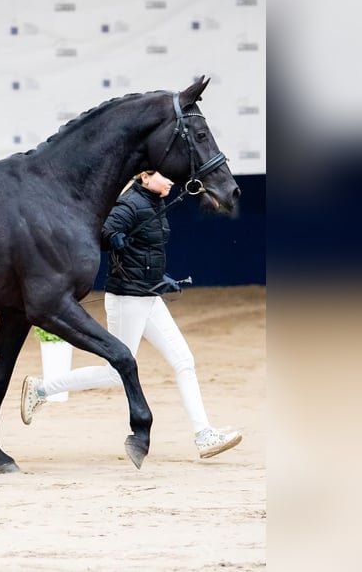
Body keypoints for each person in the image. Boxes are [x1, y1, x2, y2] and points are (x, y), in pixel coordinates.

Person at [21, 170, 242, 459]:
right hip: (128, 298)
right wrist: (113, 237)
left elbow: (146, 250)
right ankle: (42, 390)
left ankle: (204, 435)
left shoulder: (153, 202)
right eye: (164, 177)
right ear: (145, 177)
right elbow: (100, 232)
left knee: (183, 361)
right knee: (115, 373)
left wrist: (158, 277)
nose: (171, 181)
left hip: (148, 295)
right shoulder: (129, 204)